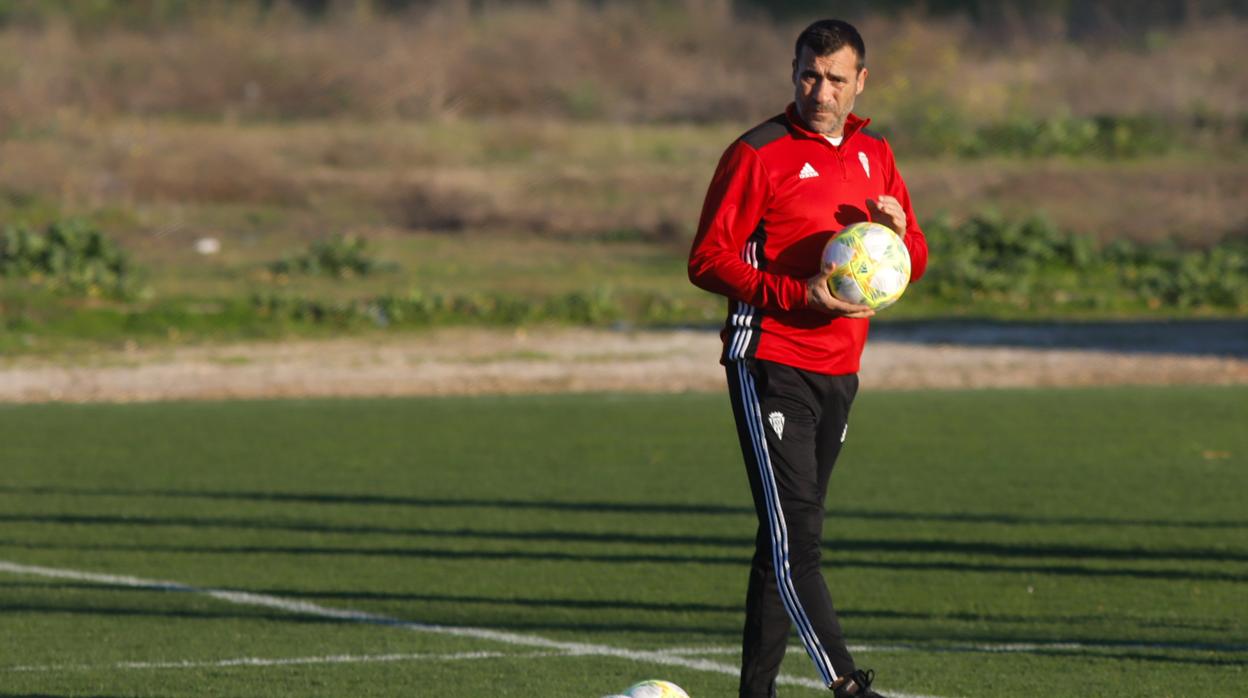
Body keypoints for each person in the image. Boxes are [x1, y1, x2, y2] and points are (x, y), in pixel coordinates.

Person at [687, 19, 928, 698]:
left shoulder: (875, 152)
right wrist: (797, 293)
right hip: (769, 359)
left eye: (834, 78)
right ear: (794, 72)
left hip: (841, 370)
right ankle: (847, 684)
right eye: (808, 75)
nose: (820, 90)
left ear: (861, 81)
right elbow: (707, 259)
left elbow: (914, 256)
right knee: (800, 541)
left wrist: (897, 233)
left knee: (783, 543)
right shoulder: (757, 153)